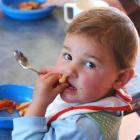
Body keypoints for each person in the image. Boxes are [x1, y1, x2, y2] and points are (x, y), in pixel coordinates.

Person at [12, 7, 139, 140]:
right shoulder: (101, 91)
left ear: (120, 78)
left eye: (90, 64)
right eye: (68, 56)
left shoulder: (81, 128)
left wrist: (38, 104)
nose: (69, 71)